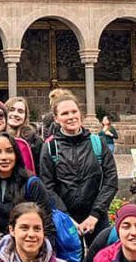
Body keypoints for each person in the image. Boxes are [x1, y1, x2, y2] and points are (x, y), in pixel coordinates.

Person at [39, 88, 118, 245]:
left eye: (74, 111)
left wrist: (95, 214)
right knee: (70, 259)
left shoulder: (97, 143)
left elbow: (111, 180)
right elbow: (47, 187)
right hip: (66, 220)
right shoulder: (50, 148)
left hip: (97, 217)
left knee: (100, 258)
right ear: (56, 118)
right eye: (64, 113)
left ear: (80, 113)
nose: (71, 117)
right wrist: (66, 218)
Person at [0, 132, 60, 255]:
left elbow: (47, 226)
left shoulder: (31, 184)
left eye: (9, 151)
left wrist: (41, 257)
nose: (4, 157)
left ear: (16, 154)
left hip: (28, 252)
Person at [5, 95, 42, 163]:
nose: (15, 114)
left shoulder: (35, 141)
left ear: (25, 116)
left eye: (20, 111)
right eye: (11, 110)